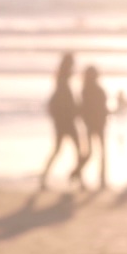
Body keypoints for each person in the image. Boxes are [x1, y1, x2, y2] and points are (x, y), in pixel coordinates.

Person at [39, 52, 85, 190]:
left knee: (61, 150)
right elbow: (65, 102)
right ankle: (77, 178)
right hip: (66, 121)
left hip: (64, 121)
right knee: (76, 150)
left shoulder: (62, 80)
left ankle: (46, 177)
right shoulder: (63, 82)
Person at [79, 65, 109, 189]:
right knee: (97, 152)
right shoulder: (91, 90)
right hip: (95, 124)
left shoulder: (87, 89)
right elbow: (90, 109)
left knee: (97, 152)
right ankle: (80, 173)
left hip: (95, 124)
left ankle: (101, 178)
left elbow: (84, 109)